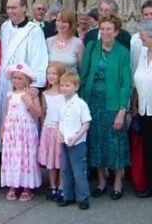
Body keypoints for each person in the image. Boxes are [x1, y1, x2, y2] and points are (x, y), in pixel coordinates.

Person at [80, 14, 131, 200]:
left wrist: (122, 110)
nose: (105, 32)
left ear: (116, 32)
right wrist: (80, 102)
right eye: (102, 29)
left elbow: (126, 83)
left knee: (114, 143)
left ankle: (117, 182)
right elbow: (84, 75)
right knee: (96, 142)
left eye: (109, 29)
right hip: (92, 102)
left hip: (113, 104)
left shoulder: (123, 53)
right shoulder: (93, 48)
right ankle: (101, 182)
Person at [0, 0, 47, 153]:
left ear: (24, 8)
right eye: (8, 8)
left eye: (14, 7)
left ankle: (25, 161)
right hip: (5, 82)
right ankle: (2, 160)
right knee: (3, 120)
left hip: (24, 84)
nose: (10, 11)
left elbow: (40, 58)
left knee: (23, 123)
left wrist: (36, 85)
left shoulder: (34, 30)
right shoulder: (4, 27)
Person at [1, 63, 42, 202]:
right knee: (12, 157)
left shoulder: (30, 94)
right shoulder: (10, 95)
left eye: (20, 78)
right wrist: (3, 131)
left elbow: (38, 113)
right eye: (14, 78)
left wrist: (29, 103)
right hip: (12, 131)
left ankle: (26, 187)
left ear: (27, 80)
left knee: (26, 157)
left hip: (25, 131)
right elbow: (6, 114)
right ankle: (13, 185)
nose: (16, 81)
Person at [57, 71, 91, 210]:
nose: (64, 88)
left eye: (68, 85)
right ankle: (68, 195)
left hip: (77, 144)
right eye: (62, 85)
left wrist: (76, 137)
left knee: (79, 171)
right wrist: (59, 135)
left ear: (76, 87)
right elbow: (59, 122)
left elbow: (86, 123)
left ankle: (83, 198)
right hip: (64, 142)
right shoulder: (62, 104)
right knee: (65, 170)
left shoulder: (81, 104)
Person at [38, 62, 66, 201]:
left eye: (54, 73)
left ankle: (62, 186)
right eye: (49, 73)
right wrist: (43, 127)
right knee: (51, 159)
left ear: (60, 75)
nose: (51, 76)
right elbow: (43, 113)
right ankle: (52, 186)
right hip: (48, 129)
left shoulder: (65, 93)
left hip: (61, 130)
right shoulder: (45, 94)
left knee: (60, 159)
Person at [133, 21, 152, 197]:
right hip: (144, 110)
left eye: (144, 35)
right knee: (147, 149)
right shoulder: (143, 54)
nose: (140, 38)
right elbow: (139, 77)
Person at [131, 0, 152, 74]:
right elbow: (133, 63)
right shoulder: (135, 38)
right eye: (146, 14)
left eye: (151, 14)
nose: (149, 17)